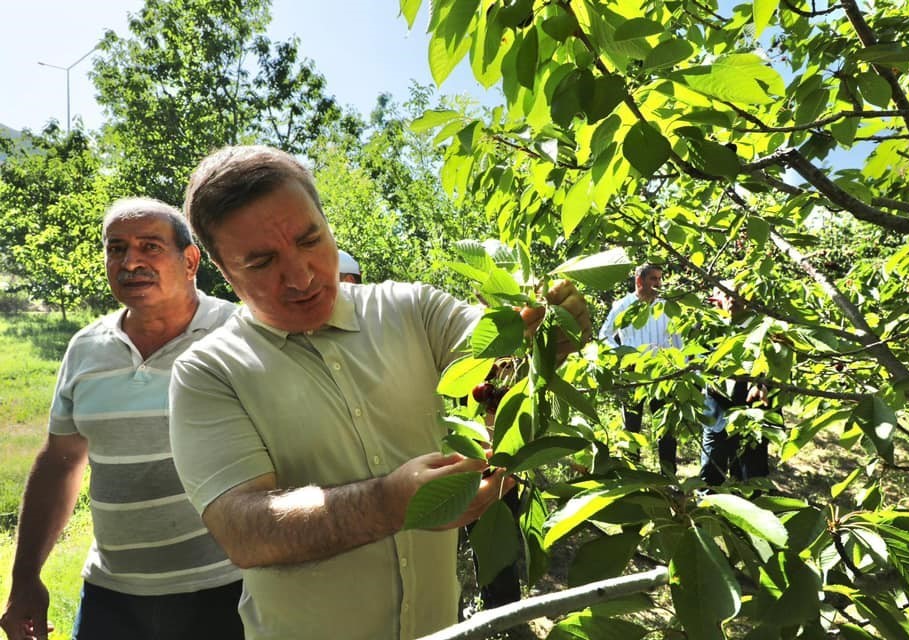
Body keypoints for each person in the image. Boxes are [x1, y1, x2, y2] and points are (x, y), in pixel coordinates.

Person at [168, 144, 592, 640]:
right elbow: (243, 530)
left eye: (311, 239)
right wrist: (389, 504)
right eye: (262, 262)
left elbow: (500, 359)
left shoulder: (413, 311)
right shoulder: (208, 372)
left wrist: (546, 330)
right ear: (221, 269)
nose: (301, 276)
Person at [0, 198, 242, 640]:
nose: (130, 262)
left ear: (190, 261)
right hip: (111, 598)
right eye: (116, 249)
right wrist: (25, 576)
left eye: (150, 247)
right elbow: (59, 464)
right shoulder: (85, 348)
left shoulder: (241, 334)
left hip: (227, 589)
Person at [599, 264, 683, 474]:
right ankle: (632, 475)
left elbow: (677, 338)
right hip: (633, 373)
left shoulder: (666, 306)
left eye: (660, 279)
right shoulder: (623, 305)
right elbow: (604, 335)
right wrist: (623, 355)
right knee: (632, 426)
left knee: (666, 426)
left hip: (663, 373)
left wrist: (680, 367)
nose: (658, 284)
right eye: (653, 279)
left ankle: (668, 477)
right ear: (639, 281)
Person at [700, 285, 771, 486]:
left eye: (740, 295)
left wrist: (763, 383)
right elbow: (697, 362)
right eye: (728, 294)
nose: (734, 299)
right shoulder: (708, 328)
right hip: (717, 414)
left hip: (753, 414)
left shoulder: (764, 329)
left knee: (751, 478)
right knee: (710, 475)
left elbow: (778, 365)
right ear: (718, 299)